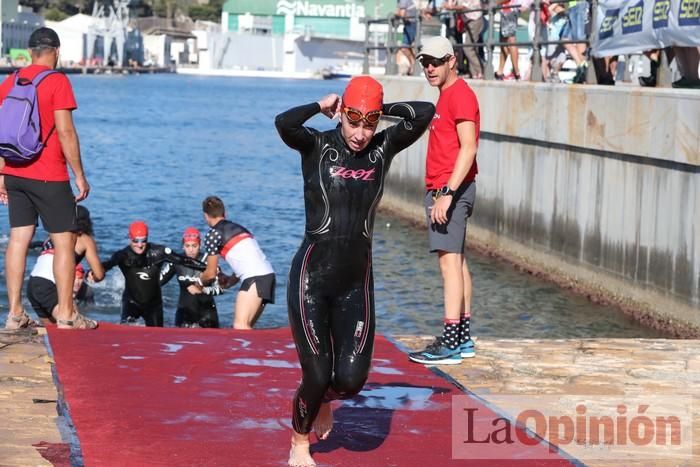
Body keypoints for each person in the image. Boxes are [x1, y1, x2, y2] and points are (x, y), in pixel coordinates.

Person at [275, 76, 435, 467]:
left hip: (355, 282)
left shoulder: (383, 148)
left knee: (349, 381)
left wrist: (381, 110)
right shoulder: (317, 145)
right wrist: (320, 104)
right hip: (311, 280)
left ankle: (325, 400)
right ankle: (299, 443)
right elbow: (284, 123)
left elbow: (424, 113)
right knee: (317, 373)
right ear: (341, 114)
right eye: (354, 121)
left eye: (369, 124)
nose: (361, 134)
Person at [0, 27, 93, 330]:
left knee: (18, 239)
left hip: (14, 172)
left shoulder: (11, 81)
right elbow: (66, 132)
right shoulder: (57, 81)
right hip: (49, 175)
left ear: (29, 52)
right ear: (55, 51)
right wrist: (79, 174)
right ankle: (66, 312)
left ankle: (15, 312)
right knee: (64, 242)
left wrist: (2, 173)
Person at [409, 36, 479, 365]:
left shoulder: (460, 96)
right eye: (425, 62)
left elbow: (469, 148)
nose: (430, 68)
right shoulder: (447, 96)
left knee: (448, 264)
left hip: (449, 191)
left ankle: (450, 342)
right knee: (458, 261)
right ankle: (462, 338)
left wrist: (447, 194)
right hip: (448, 189)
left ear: (452, 60)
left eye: (436, 61)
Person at [102, 221, 204, 327]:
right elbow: (108, 264)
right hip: (131, 302)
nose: (140, 245)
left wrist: (207, 268)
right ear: (130, 238)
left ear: (147, 238)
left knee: (157, 338)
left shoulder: (159, 252)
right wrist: (93, 272)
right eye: (136, 241)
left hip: (153, 305)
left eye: (143, 241)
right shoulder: (123, 255)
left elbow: (184, 260)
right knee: (127, 335)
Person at [198, 196, 275, 330]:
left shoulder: (213, 235)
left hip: (255, 278)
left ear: (206, 215)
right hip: (268, 276)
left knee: (240, 326)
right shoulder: (241, 228)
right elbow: (248, 260)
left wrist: (198, 283)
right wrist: (229, 281)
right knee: (246, 327)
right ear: (224, 213)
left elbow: (210, 274)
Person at [26, 205, 104, 325]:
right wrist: (92, 274)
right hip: (49, 285)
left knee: (52, 333)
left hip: (32, 284)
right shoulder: (84, 238)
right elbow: (99, 274)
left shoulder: (53, 236)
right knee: (73, 325)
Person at [160, 227, 225, 328]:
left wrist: (202, 289)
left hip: (207, 314)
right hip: (184, 312)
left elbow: (220, 289)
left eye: (194, 246)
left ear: (200, 245)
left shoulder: (208, 262)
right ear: (183, 246)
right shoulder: (177, 261)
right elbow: (157, 282)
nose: (191, 250)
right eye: (187, 246)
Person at [396, 0, 418, 75]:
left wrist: (396, 15)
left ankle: (413, 64)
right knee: (407, 47)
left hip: (411, 24)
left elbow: (402, 14)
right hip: (410, 24)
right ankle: (414, 65)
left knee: (404, 47)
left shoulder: (403, 0)